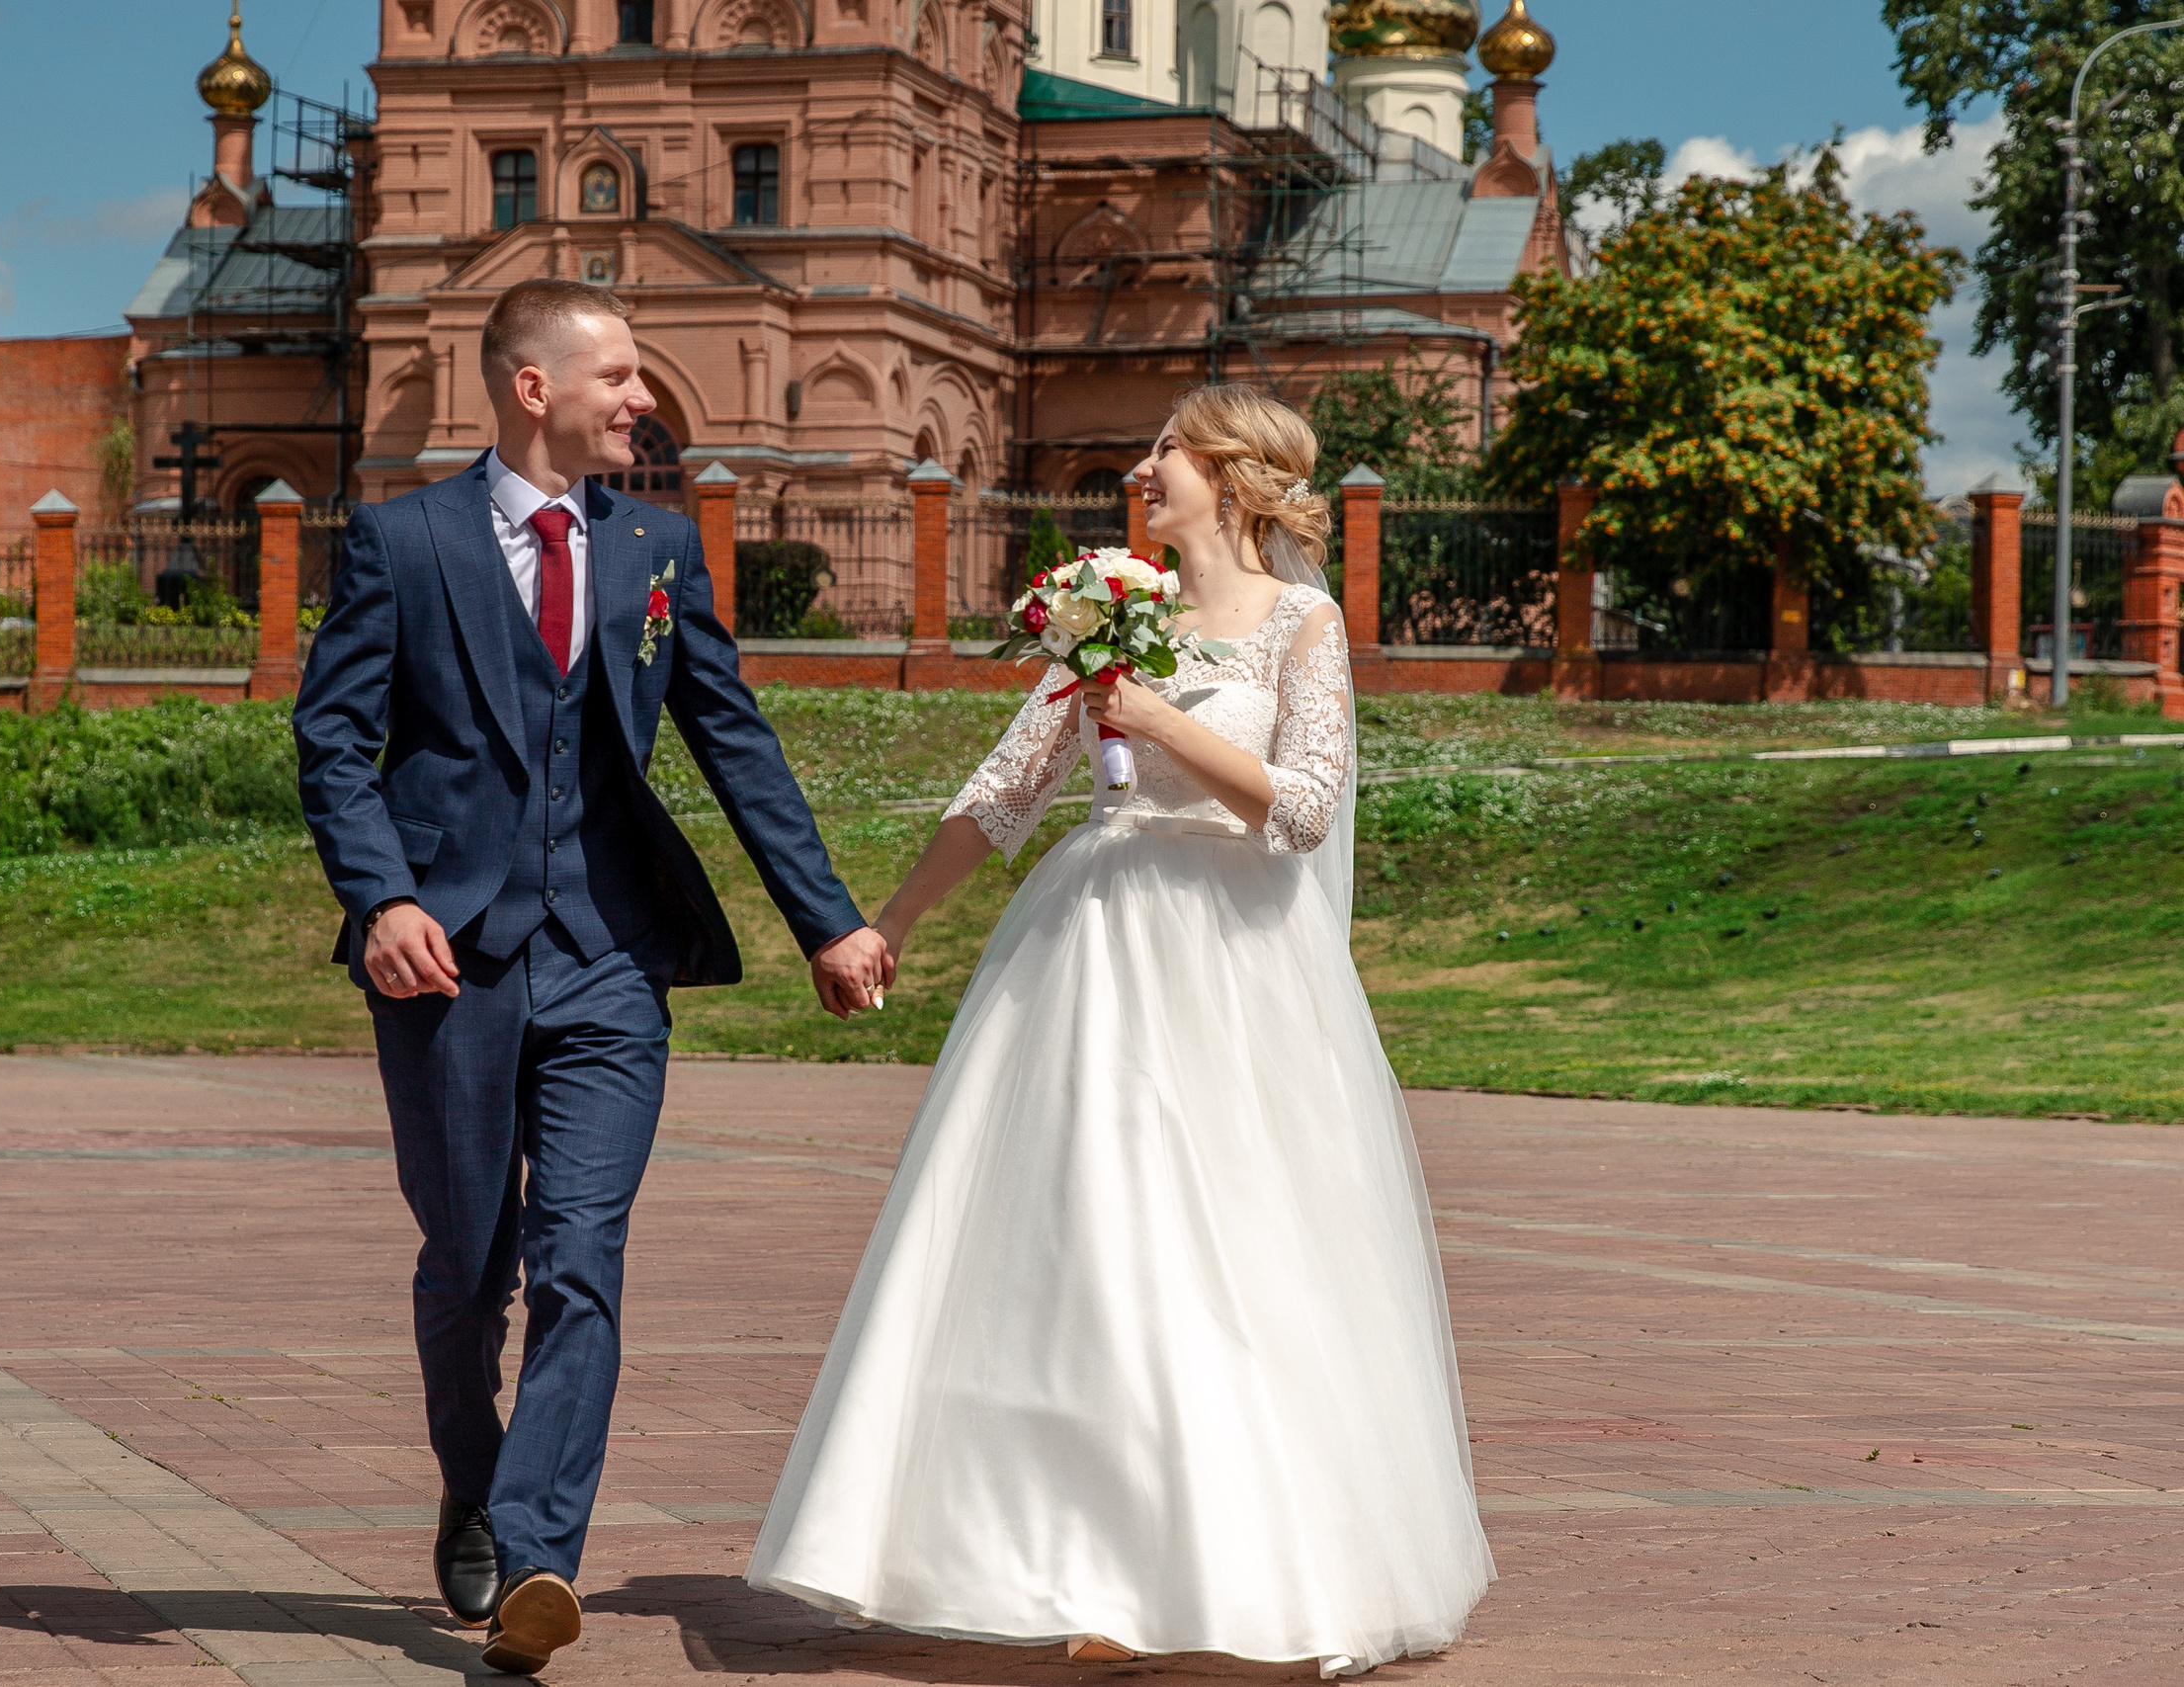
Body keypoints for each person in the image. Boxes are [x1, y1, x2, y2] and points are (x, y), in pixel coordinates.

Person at [745, 384, 1494, 1677]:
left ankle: (1259, 1562)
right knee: (1090, 1246)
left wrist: (1157, 723)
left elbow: (1306, 808)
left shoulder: (1301, 625)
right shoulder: (1106, 612)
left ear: (1235, 477)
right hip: (1090, 952)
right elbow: (1008, 788)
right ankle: (1092, 1565)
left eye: (1167, 451)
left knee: (1237, 1257)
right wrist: (893, 924)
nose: (1142, 468)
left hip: (1238, 966)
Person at [294, 278, 891, 1675]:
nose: (640, 398)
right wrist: (380, 898)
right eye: (617, 376)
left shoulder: (657, 548)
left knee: (580, 1256)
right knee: (469, 1260)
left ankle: (536, 1559)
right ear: (531, 388)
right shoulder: (405, 541)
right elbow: (335, 746)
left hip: (614, 961)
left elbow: (735, 741)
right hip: (448, 962)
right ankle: (473, 1476)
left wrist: (827, 923)